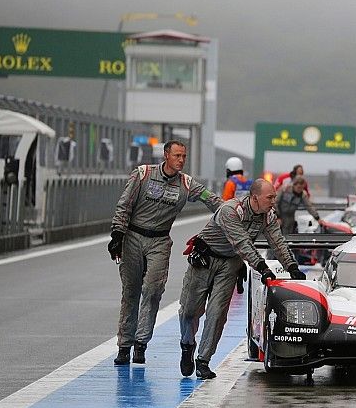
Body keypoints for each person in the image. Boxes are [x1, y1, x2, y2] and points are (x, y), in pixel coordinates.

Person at [108, 140, 223, 365]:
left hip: (160, 240)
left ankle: (141, 343)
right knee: (131, 292)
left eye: (184, 157)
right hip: (132, 236)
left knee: (152, 291)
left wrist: (234, 212)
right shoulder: (142, 174)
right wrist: (117, 234)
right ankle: (124, 345)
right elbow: (124, 204)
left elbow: (212, 200)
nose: (181, 160)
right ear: (166, 155)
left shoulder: (187, 183)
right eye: (177, 156)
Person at [178, 179, 305, 379]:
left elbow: (277, 243)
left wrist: (292, 267)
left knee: (217, 313)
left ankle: (203, 360)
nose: (274, 201)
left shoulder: (268, 216)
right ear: (255, 198)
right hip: (205, 259)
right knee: (189, 311)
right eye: (270, 197)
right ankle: (187, 344)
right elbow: (242, 244)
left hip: (229, 264)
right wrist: (262, 267)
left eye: (274, 197)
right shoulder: (230, 210)